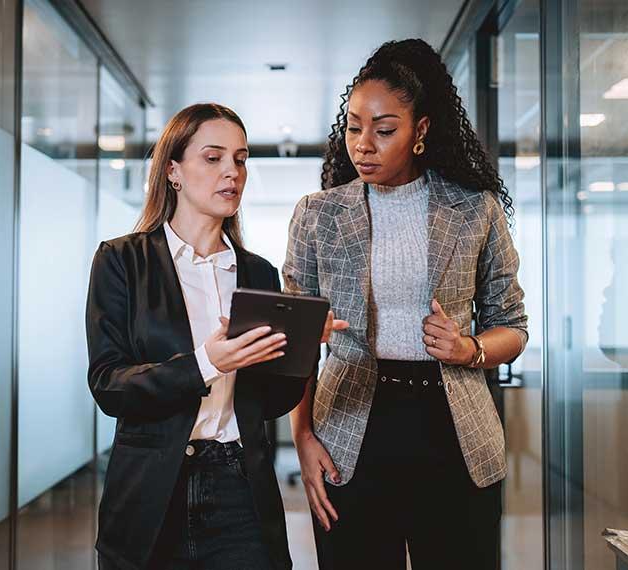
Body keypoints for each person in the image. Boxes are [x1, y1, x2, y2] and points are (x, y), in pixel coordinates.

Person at [283, 39, 528, 570]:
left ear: (420, 132)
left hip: (454, 432)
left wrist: (469, 349)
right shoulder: (318, 214)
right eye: (353, 127)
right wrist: (301, 436)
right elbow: (294, 340)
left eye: (384, 129)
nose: (363, 145)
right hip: (349, 431)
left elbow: (512, 326)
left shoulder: (474, 210)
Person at [86, 103, 306, 570]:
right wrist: (208, 362)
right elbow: (109, 384)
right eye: (213, 158)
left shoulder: (258, 274)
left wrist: (305, 345)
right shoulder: (122, 261)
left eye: (241, 159)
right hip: (150, 494)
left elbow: (271, 400)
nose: (232, 172)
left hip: (240, 490)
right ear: (173, 171)